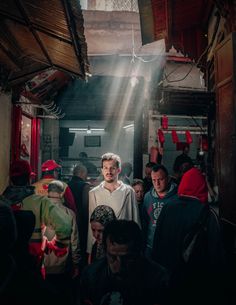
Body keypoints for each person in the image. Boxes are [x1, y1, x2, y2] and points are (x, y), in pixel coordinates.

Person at [3, 159, 72, 270]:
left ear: (11, 179)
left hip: (5, 261)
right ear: (29, 178)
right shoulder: (41, 201)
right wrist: (59, 245)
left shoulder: (2, 202)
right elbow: (65, 226)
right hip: (32, 259)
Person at [80, 220, 169, 305]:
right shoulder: (91, 275)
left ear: (138, 253)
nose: (119, 267)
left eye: (127, 259)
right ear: (105, 250)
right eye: (113, 257)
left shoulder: (157, 278)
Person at [87, 152, 140, 254]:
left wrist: (137, 248)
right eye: (105, 168)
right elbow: (91, 226)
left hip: (124, 246)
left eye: (112, 168)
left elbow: (136, 221)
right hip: (102, 248)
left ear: (119, 170)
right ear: (102, 170)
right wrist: (90, 251)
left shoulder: (128, 191)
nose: (109, 171)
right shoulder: (93, 193)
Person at [142, 164, 178, 258]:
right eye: (154, 180)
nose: (157, 183)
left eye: (160, 179)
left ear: (168, 178)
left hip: (171, 248)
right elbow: (144, 223)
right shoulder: (147, 197)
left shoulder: (177, 197)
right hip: (150, 246)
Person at [68, 163, 91, 266]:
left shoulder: (66, 184)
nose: (86, 176)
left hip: (67, 220)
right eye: (86, 174)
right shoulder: (85, 186)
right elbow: (86, 207)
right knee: (81, 247)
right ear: (82, 173)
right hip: (81, 222)